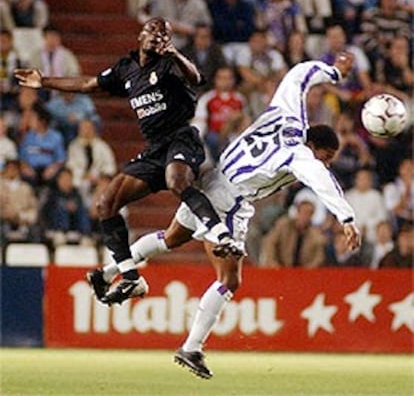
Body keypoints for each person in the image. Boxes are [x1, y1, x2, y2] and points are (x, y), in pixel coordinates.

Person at [86, 52, 361, 379]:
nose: (325, 163)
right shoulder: (301, 156)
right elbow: (320, 178)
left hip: (212, 180)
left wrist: (333, 71)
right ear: (314, 147)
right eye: (326, 157)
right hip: (229, 202)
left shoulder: (286, 112)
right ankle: (192, 347)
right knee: (229, 279)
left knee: (171, 238)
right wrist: (346, 218)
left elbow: (299, 75)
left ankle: (106, 272)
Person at [15, 17, 240, 304]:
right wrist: (43, 81)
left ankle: (221, 235)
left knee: (176, 181)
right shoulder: (126, 69)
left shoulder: (170, 64)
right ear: (141, 35)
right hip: (155, 149)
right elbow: (87, 83)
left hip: (181, 138)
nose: (157, 36)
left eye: (164, 33)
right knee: (105, 203)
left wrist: (176, 55)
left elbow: (196, 78)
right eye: (153, 30)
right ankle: (131, 277)